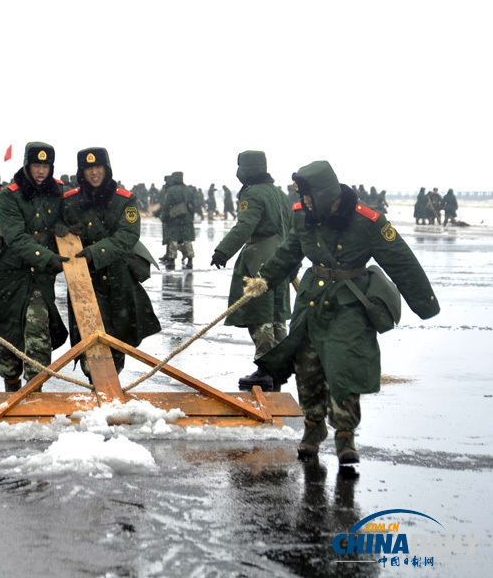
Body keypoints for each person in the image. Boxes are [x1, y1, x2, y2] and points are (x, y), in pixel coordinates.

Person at [256, 161, 440, 466]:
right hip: (312, 301)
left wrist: (425, 304)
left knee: (345, 366)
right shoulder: (303, 215)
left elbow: (400, 261)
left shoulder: (367, 220)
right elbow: (290, 251)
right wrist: (263, 280)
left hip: (349, 303)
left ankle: (345, 435)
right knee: (307, 366)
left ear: (326, 192)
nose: (307, 202)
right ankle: (313, 427)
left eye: (311, 197)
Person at [0, 142, 68, 392]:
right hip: (10, 271)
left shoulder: (58, 192)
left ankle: (34, 389)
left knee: (39, 332)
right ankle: (11, 384)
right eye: (36, 165)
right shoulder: (10, 194)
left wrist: (65, 227)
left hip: (40, 276)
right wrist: (46, 256)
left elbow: (66, 215)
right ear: (27, 165)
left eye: (46, 166)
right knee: (8, 333)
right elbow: (16, 237)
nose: (41, 171)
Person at [59, 147, 161, 376]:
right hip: (84, 278)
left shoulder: (125, 199)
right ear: (81, 172)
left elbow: (127, 236)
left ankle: (110, 386)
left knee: (117, 337)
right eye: (88, 168)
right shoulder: (69, 201)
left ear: (106, 168)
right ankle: (98, 384)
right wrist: (64, 231)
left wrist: (95, 252)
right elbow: (58, 227)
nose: (94, 173)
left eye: (98, 167)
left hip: (118, 275)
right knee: (88, 336)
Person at [209, 151, 293, 391]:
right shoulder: (280, 194)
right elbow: (292, 228)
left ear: (245, 169)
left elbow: (246, 225)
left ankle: (265, 369)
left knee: (260, 314)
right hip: (282, 255)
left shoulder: (253, 193)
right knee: (278, 314)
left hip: (260, 257)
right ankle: (278, 367)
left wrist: (224, 250)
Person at [154, 171, 195, 269]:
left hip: (174, 218)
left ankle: (172, 260)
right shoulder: (188, 190)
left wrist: (163, 216)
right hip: (186, 218)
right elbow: (193, 206)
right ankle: (190, 260)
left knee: (173, 239)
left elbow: (166, 205)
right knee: (187, 239)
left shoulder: (171, 190)